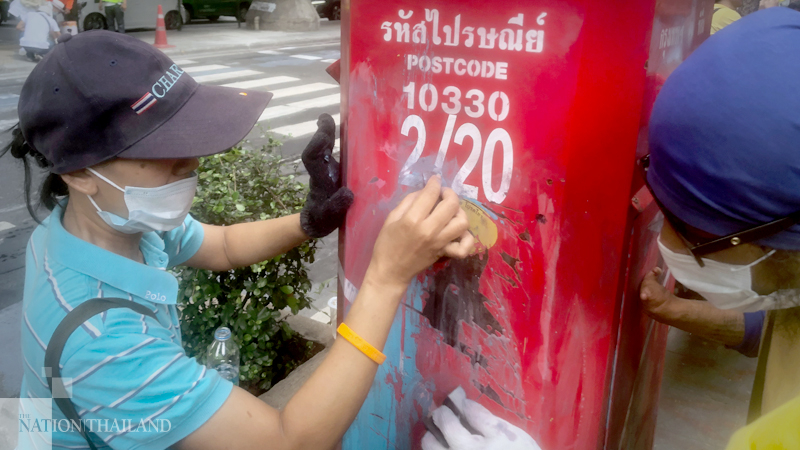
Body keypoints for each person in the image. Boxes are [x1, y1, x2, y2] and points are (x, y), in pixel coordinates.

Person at [5, 30, 474, 450]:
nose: (192, 166)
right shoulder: (104, 344)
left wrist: (308, 222)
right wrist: (387, 277)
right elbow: (288, 441)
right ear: (79, 174)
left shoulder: (95, 225)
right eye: (166, 154)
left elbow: (220, 245)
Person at [638, 7, 800, 448]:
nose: (667, 243)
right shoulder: (792, 278)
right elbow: (781, 332)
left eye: (693, 234)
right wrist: (674, 311)